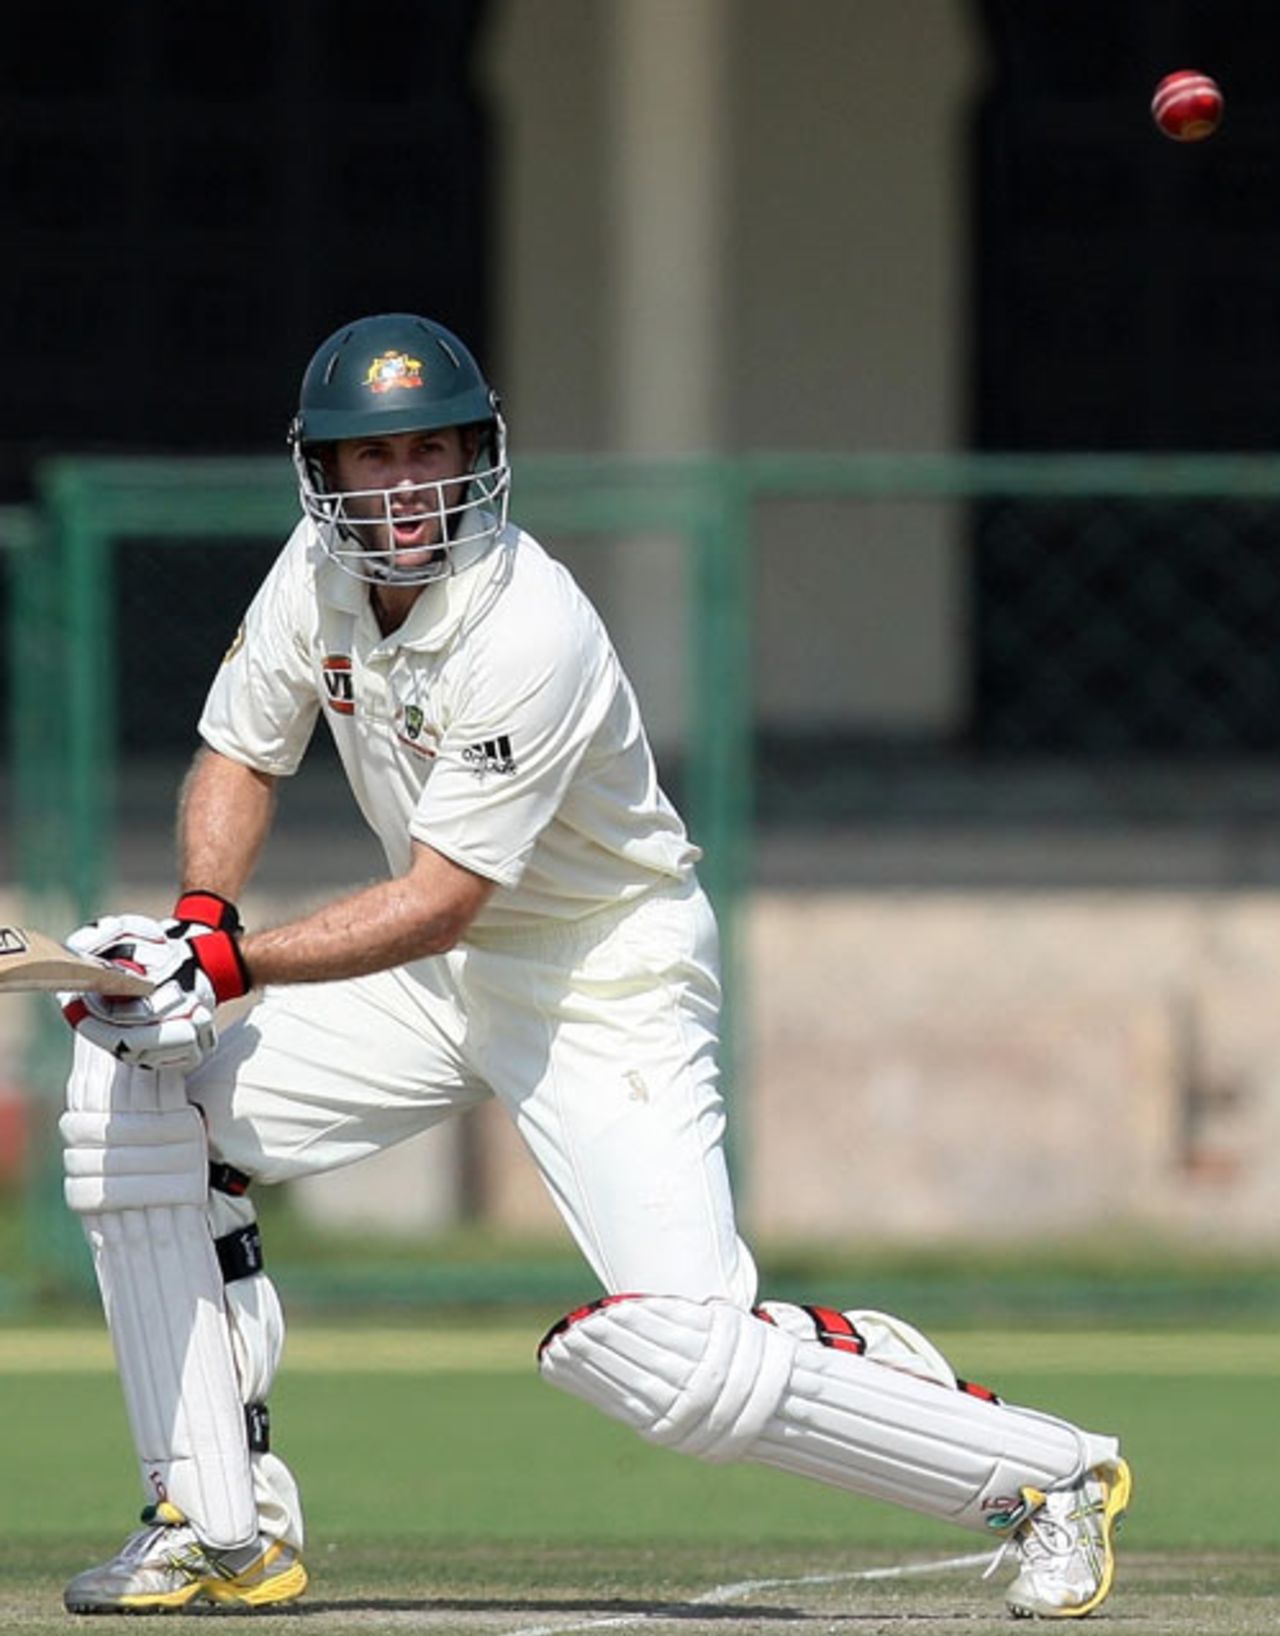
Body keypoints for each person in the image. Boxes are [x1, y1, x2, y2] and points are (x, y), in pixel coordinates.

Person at [57, 312, 1131, 1619]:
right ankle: (214, 1518)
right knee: (141, 1098)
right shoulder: (314, 570)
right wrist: (194, 925)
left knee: (680, 1366)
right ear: (321, 472)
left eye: (432, 450)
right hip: (437, 981)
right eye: (374, 458)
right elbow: (241, 749)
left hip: (597, 972)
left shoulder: (530, 626)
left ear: (480, 455)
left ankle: (1047, 1476)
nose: (406, 485)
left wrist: (229, 969)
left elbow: (440, 902)